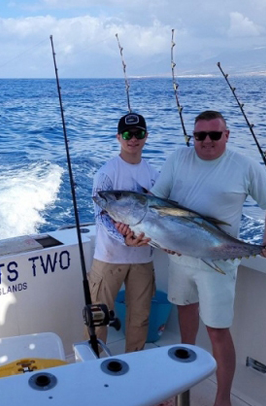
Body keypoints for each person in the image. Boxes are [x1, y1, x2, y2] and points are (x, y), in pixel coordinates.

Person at [148, 110, 266, 406]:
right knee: (185, 320)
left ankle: (223, 399)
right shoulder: (177, 159)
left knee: (217, 331)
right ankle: (180, 384)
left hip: (218, 265)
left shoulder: (244, 166)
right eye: (200, 135)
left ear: (227, 135)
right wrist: (160, 238)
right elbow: (156, 205)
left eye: (214, 134)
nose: (206, 141)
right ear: (193, 137)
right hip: (180, 259)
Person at [88, 112, 159, 353]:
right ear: (119, 137)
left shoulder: (154, 175)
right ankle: (93, 367)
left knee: (140, 320)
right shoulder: (106, 173)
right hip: (109, 258)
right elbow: (100, 216)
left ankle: (134, 366)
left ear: (146, 137)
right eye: (128, 134)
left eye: (138, 133)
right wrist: (124, 239)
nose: (133, 139)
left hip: (143, 260)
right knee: (97, 320)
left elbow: (162, 218)